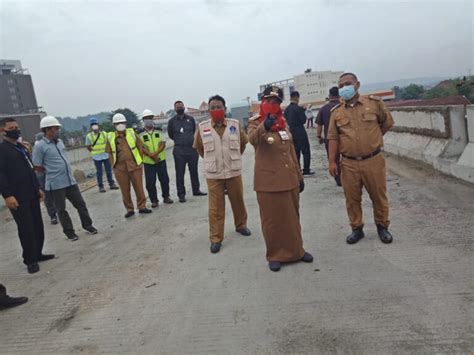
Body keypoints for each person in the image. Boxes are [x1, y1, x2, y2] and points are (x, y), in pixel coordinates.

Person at [248, 86, 313, 272]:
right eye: (268, 101)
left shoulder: (283, 123)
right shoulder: (255, 122)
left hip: (289, 179)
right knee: (272, 221)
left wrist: (299, 176)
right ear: (262, 102)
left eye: (275, 102)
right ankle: (275, 254)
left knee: (293, 218)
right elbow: (252, 140)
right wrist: (264, 126)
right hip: (268, 182)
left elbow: (291, 151)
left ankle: (297, 251)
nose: (271, 104)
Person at [327, 72, 394, 245]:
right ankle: (357, 228)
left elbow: (387, 123)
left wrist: (373, 141)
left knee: (378, 196)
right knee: (352, 198)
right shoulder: (337, 112)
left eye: (347, 84)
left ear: (357, 84)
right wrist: (332, 161)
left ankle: (382, 227)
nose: (344, 88)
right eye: (341, 86)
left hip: (373, 160)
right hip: (348, 163)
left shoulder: (374, 104)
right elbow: (333, 137)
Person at [193, 95, 251, 253]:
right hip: (214, 174)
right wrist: (212, 160)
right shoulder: (203, 127)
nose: (216, 110)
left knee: (238, 201)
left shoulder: (235, 124)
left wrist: (233, 158)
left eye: (219, 107)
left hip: (233, 171)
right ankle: (216, 238)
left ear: (225, 109)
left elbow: (243, 144)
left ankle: (241, 225)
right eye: (212, 108)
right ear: (209, 110)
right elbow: (199, 148)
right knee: (215, 208)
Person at [0, 118, 55, 273]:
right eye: (11, 128)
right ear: (2, 131)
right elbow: (1, 175)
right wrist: (7, 195)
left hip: (31, 192)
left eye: (16, 127)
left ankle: (38, 253)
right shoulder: (2, 150)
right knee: (26, 228)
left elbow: (30, 169)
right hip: (17, 196)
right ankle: (29, 259)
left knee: (37, 225)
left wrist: (38, 188)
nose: (16, 130)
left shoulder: (21, 147)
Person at [33, 116, 98, 241]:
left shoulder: (60, 142)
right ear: (47, 130)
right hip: (56, 183)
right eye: (55, 128)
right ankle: (69, 232)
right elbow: (37, 166)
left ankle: (88, 225)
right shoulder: (40, 147)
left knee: (80, 204)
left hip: (70, 181)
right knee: (61, 209)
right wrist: (51, 172)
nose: (57, 131)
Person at [105, 113, 152, 218]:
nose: (120, 125)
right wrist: (114, 165)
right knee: (125, 190)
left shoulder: (131, 133)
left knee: (139, 188)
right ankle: (129, 209)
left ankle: (142, 206)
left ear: (125, 123)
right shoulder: (110, 137)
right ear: (114, 125)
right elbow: (109, 152)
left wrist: (139, 161)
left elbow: (140, 146)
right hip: (120, 168)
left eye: (122, 123)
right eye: (117, 123)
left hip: (135, 166)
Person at [167, 101, 207, 202]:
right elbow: (171, 134)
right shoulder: (172, 121)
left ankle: (196, 190)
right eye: (177, 107)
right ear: (175, 109)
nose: (180, 108)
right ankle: (181, 194)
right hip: (179, 150)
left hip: (191, 149)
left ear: (184, 107)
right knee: (180, 173)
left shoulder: (190, 119)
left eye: (181, 106)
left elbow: (193, 130)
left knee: (194, 171)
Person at [139, 109, 173, 207]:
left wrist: (155, 154)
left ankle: (166, 197)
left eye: (150, 118)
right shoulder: (139, 133)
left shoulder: (159, 130)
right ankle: (154, 200)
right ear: (143, 120)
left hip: (160, 160)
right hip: (148, 162)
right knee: (150, 182)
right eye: (146, 118)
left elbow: (163, 143)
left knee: (164, 180)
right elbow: (140, 147)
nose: (149, 120)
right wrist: (151, 155)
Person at [283, 91, 315, 176]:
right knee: (306, 151)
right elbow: (303, 120)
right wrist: (305, 110)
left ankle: (298, 170)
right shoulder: (298, 108)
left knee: (296, 152)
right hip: (300, 131)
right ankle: (306, 170)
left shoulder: (286, 110)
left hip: (291, 131)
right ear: (297, 98)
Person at [85, 117, 119, 193]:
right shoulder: (89, 136)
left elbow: (109, 143)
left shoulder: (104, 134)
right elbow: (88, 146)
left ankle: (112, 184)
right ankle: (101, 186)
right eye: (93, 125)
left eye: (95, 124)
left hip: (106, 155)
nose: (94, 126)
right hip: (96, 157)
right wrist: (94, 151)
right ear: (91, 126)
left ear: (98, 125)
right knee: (99, 172)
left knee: (109, 170)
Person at [316, 87, 342, 186]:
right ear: (339, 95)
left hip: (330, 139)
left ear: (329, 96)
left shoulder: (324, 108)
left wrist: (319, 137)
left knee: (333, 159)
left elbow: (319, 125)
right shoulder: (343, 106)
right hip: (345, 138)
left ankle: (338, 179)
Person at [34, 133, 58, 224]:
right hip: (41, 175)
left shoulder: (49, 146)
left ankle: (56, 213)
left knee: (54, 194)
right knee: (47, 195)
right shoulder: (35, 147)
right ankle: (53, 215)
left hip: (50, 173)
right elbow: (36, 165)